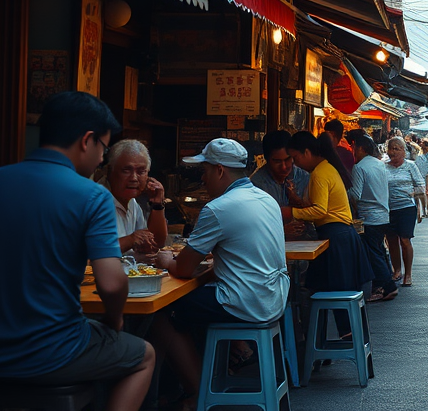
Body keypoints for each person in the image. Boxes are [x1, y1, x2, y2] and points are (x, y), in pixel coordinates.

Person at [0, 92, 155, 410]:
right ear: (87, 140)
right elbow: (111, 283)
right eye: (103, 149)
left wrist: (4, 278)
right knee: (145, 356)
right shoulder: (92, 196)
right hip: (56, 351)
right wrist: (114, 319)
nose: (101, 159)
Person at [153, 139, 288, 401]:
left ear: (219, 170)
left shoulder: (218, 208)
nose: (202, 179)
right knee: (196, 302)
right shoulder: (266, 198)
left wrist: (164, 259)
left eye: (204, 171)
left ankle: (196, 392)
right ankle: (226, 359)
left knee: (163, 312)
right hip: (274, 297)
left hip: (248, 302)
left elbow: (183, 269)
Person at [284, 132, 373, 337]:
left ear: (306, 152)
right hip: (340, 235)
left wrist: (290, 211)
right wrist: (297, 200)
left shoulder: (320, 173)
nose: (294, 164)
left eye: (295, 158)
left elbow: (320, 211)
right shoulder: (325, 169)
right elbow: (321, 207)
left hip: (336, 236)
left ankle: (342, 336)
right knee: (333, 290)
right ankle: (335, 337)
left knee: (335, 292)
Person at [347, 133, 398, 303]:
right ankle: (380, 287)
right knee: (379, 251)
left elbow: (355, 195)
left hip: (369, 216)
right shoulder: (379, 164)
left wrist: (341, 192)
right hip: (383, 215)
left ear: (361, 148)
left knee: (374, 253)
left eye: (354, 147)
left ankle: (389, 286)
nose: (352, 151)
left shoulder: (360, 167)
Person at [105, 139, 167, 254]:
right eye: (126, 171)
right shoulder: (96, 202)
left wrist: (157, 205)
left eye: (141, 171)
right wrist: (130, 240)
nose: (134, 178)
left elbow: (156, 243)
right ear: (110, 172)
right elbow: (90, 251)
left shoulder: (132, 203)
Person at [251, 130, 313, 239]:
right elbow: (254, 224)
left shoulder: (304, 177)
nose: (284, 167)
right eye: (277, 161)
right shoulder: (256, 185)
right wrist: (280, 231)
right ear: (267, 159)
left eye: (288, 159)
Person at [385, 137, 425, 287]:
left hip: (406, 208)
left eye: (397, 148)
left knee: (405, 240)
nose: (393, 151)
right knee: (391, 240)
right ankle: (397, 270)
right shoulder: (383, 167)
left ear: (403, 151)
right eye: (391, 148)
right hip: (388, 209)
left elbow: (421, 186)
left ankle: (408, 274)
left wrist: (411, 194)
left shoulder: (411, 166)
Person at [415, 140, 428, 218]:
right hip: (423, 176)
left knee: (426, 194)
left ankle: (427, 210)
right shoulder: (420, 156)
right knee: (424, 194)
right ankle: (426, 210)